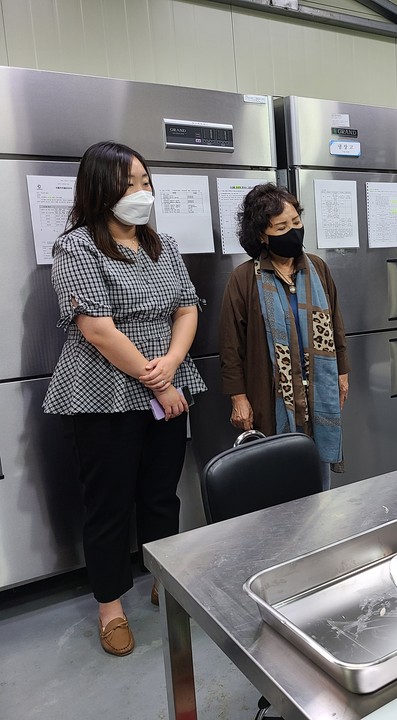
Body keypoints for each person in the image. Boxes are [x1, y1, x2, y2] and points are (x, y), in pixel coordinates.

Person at [42, 141, 207, 656]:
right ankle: (110, 608)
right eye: (128, 183)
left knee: (161, 494)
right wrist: (160, 381)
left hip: (168, 382)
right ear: (100, 189)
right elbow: (97, 329)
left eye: (145, 181)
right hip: (102, 392)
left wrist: (174, 363)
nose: (142, 193)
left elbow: (186, 308)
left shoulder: (164, 245)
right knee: (108, 505)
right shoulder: (76, 248)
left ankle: (164, 580)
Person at [219, 183, 349, 491]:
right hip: (270, 395)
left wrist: (342, 372)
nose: (292, 231)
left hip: (318, 393)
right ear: (262, 235)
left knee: (319, 485)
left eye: (296, 222)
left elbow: (335, 323)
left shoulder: (317, 268)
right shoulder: (244, 278)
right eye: (281, 226)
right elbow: (230, 345)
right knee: (277, 485)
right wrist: (238, 398)